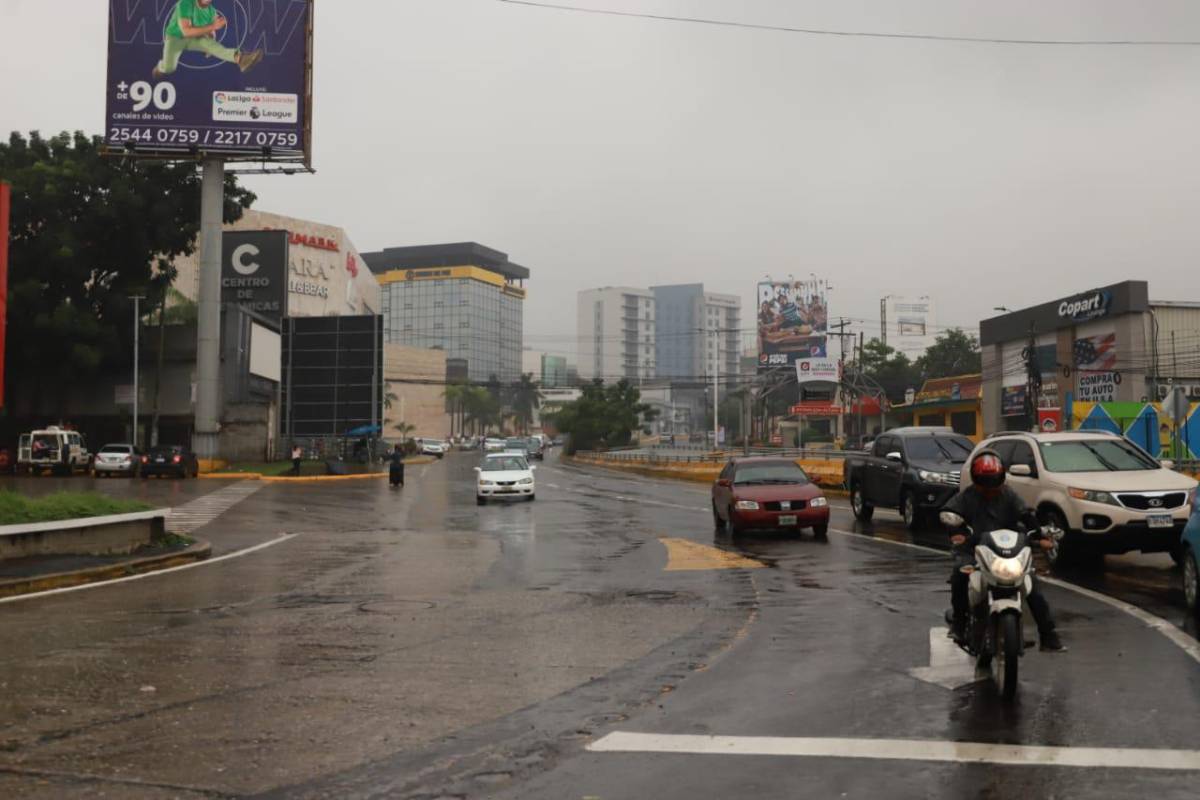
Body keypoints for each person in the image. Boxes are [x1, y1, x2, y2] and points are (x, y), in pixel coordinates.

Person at [943, 450, 1066, 652]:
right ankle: (959, 624)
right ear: (977, 480)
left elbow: (1026, 515)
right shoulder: (966, 496)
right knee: (959, 575)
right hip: (973, 549)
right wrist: (956, 532)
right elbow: (949, 514)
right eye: (986, 483)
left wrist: (1040, 537)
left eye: (994, 482)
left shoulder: (1009, 494)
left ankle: (1048, 635)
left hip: (1008, 550)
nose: (991, 489)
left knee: (1032, 586)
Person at [152, 0, 264, 80]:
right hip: (175, 38)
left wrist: (209, 47)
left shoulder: (212, 12)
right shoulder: (185, 3)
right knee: (169, 68)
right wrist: (213, 26)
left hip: (195, 38)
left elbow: (211, 34)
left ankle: (241, 59)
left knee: (210, 44)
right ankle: (161, 67)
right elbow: (186, 31)